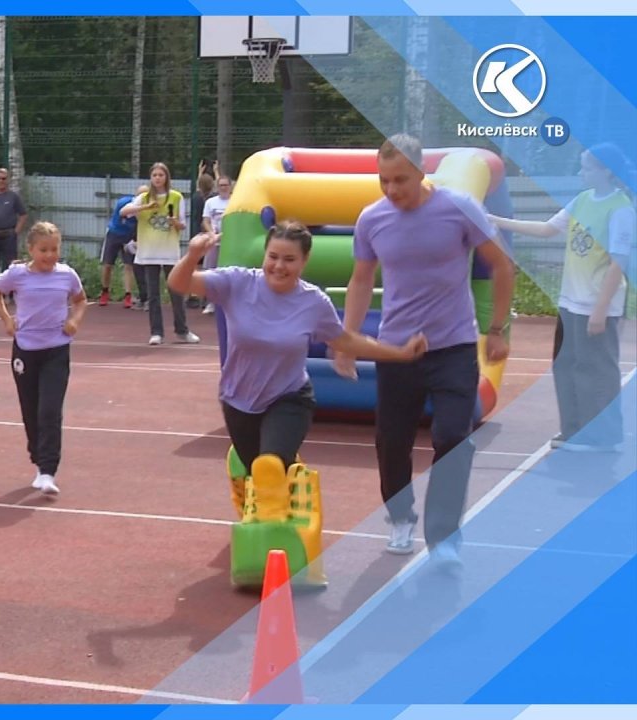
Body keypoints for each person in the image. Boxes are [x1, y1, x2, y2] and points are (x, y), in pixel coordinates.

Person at [334, 134, 514, 562]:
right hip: (397, 350)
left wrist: (497, 328)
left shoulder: (458, 208)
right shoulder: (372, 219)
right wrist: (347, 341)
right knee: (391, 441)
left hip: (453, 346)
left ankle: (444, 535)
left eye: (401, 180)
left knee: (454, 436)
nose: (392, 190)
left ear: (420, 172)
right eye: (384, 181)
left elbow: (502, 264)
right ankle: (400, 517)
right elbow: (361, 281)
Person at [170, 222, 427, 514]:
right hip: (238, 398)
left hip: (289, 397)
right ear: (264, 255)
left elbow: (345, 340)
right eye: (273, 256)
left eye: (289, 259)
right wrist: (192, 256)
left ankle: (276, 533)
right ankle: (260, 477)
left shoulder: (313, 302)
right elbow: (178, 284)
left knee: (270, 467)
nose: (279, 266)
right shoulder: (236, 283)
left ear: (304, 262)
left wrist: (400, 353)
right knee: (261, 473)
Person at [489, 143, 633, 452]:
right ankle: (574, 431)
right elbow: (546, 229)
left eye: (587, 167)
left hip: (596, 306)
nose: (581, 172)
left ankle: (601, 437)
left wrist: (600, 309)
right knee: (566, 366)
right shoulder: (582, 200)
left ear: (606, 171)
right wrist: (496, 221)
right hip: (570, 302)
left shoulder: (620, 209)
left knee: (596, 370)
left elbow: (619, 262)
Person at [0, 221, 88, 496]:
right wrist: (7, 319)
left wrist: (74, 321)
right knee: (31, 410)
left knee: (50, 410)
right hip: (25, 351)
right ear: (31, 249)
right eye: (43, 249)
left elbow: (80, 300)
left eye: (54, 249)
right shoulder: (17, 275)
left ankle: (47, 470)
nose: (49, 255)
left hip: (57, 349)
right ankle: (37, 457)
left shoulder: (67, 275)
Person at [122, 162, 199, 345]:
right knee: (153, 295)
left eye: (161, 175)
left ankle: (182, 331)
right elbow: (124, 212)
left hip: (169, 252)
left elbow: (182, 225)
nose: (157, 178)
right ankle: (156, 332)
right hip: (149, 253)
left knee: (176, 291)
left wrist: (174, 222)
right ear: (151, 178)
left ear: (166, 177)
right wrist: (145, 207)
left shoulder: (176, 197)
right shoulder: (144, 197)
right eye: (154, 175)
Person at [98, 183, 147, 309]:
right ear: (136, 196)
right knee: (107, 264)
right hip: (114, 233)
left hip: (128, 237)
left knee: (128, 266)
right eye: (141, 195)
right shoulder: (124, 203)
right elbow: (122, 216)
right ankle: (104, 291)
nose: (143, 197)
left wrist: (134, 240)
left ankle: (128, 295)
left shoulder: (146, 210)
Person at [200, 171, 234, 314]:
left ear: (231, 186)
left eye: (226, 185)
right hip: (214, 242)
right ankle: (211, 303)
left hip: (231, 243)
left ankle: (229, 303)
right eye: (220, 185)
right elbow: (206, 221)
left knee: (229, 272)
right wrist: (212, 234)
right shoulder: (210, 202)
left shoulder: (236, 201)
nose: (223, 188)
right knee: (210, 271)